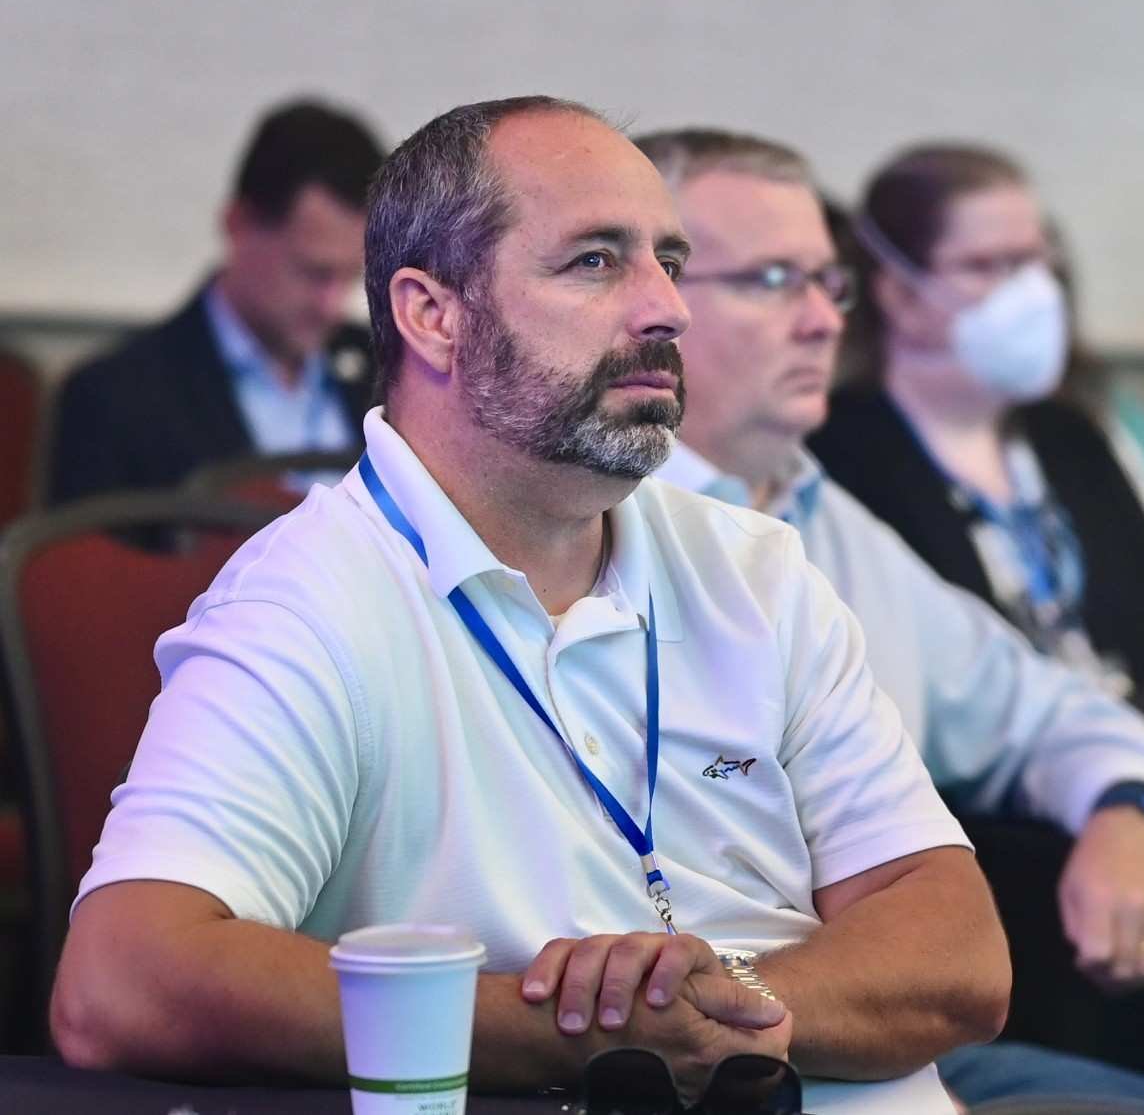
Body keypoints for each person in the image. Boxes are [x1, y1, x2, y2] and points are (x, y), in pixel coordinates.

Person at [50, 97, 1009, 1108]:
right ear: (433, 315)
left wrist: (728, 1006)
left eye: (668, 260)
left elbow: (961, 953)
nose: (667, 308)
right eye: (595, 261)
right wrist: (574, 1034)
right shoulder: (310, 602)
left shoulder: (756, 570)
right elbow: (119, 983)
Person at [632, 127, 1144, 1114]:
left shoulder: (820, 512)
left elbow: (1038, 704)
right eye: (772, 280)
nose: (821, 321)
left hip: (901, 1054)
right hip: (724, 1064)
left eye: (828, 283)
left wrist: (1129, 806)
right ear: (648, 301)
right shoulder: (593, 528)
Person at [807, 143, 1144, 694]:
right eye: (988, 266)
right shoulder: (838, 455)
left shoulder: (1069, 434)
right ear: (899, 295)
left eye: (1035, 261)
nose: (1032, 292)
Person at [48, 98, 387, 504]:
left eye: (352, 276)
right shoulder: (114, 399)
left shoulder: (389, 371)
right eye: (314, 273)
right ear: (238, 224)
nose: (333, 305)